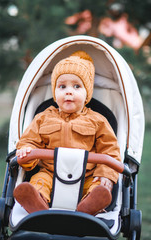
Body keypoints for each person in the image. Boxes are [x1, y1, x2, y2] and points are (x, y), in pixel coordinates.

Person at [13, 51, 121, 216]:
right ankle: (37, 202)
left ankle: (91, 204)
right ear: (55, 93)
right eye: (62, 86)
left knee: (98, 186)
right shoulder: (43, 118)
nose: (69, 92)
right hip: (50, 172)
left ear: (87, 93)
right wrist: (26, 150)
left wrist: (106, 174)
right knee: (38, 182)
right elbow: (30, 141)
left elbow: (110, 150)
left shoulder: (98, 121)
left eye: (76, 86)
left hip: (87, 174)